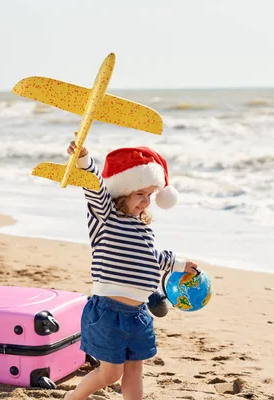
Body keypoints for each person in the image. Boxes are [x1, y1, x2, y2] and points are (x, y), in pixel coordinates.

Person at [64, 137, 198, 400]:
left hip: (139, 313)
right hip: (108, 312)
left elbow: (151, 257)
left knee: (135, 370)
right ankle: (72, 398)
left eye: (150, 195)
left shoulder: (144, 229)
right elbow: (95, 189)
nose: (146, 201)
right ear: (122, 191)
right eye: (140, 194)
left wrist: (180, 264)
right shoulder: (106, 218)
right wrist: (84, 160)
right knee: (110, 374)